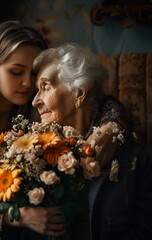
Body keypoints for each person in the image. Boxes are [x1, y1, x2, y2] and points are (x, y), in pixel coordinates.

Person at [0, 20, 128, 240]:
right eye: (16, 72)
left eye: (33, 75)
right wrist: (16, 216)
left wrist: (111, 126)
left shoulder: (39, 109)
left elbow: (101, 100)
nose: (27, 83)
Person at [32, 43, 152, 240]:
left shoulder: (134, 158)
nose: (35, 101)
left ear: (79, 93)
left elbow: (145, 230)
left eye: (45, 87)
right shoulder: (31, 154)